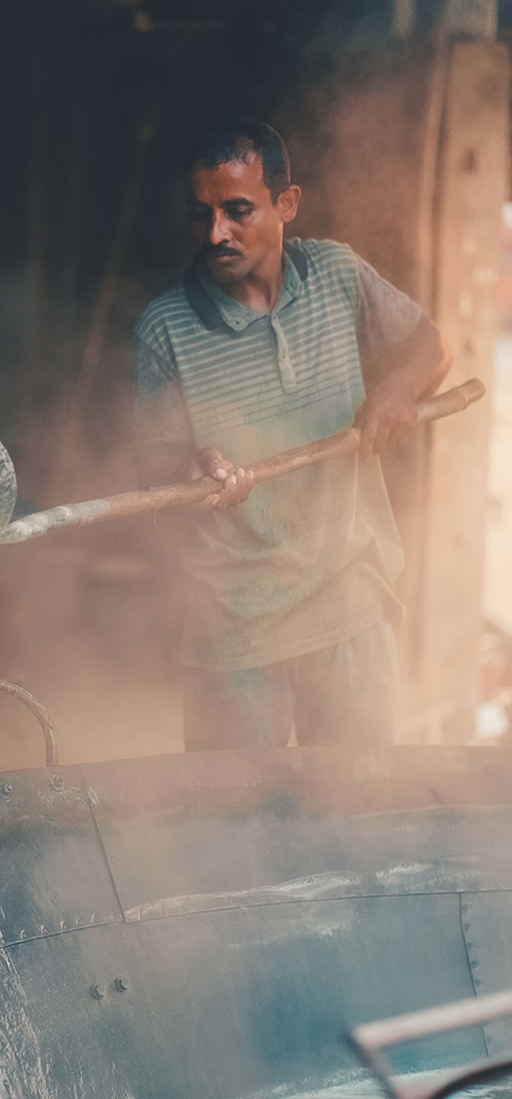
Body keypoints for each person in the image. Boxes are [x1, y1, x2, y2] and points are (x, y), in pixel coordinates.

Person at [133, 118, 451, 749]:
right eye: (201, 215)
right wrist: (192, 473)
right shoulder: (163, 327)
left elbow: (430, 348)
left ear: (287, 204)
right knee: (238, 828)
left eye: (237, 210)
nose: (216, 232)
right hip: (234, 628)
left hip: (350, 604)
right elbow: (156, 471)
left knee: (362, 816)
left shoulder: (336, 273)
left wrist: (398, 388)